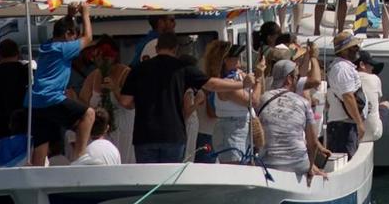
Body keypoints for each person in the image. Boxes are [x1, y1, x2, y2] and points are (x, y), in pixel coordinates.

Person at [120, 30, 251, 163]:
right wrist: (242, 84)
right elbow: (211, 84)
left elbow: (125, 101)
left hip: (144, 135)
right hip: (173, 134)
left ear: (156, 48)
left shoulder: (138, 69)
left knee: (148, 180)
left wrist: (142, 103)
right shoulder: (182, 68)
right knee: (171, 181)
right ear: (176, 49)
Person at [28, 3, 96, 166]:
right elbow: (88, 38)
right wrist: (86, 14)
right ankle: (80, 158)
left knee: (42, 144)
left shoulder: (47, 46)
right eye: (74, 36)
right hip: (51, 97)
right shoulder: (63, 48)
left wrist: (70, 16)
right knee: (89, 114)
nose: (74, 40)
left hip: (35, 100)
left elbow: (65, 31)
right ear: (67, 34)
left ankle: (36, 175)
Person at [255, 56, 325, 180]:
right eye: (297, 77)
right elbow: (312, 142)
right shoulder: (303, 103)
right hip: (297, 164)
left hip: (267, 163)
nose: (298, 80)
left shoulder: (262, 99)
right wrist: (310, 168)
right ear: (289, 79)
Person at [200, 39, 255, 162]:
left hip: (234, 127)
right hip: (232, 130)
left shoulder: (229, 80)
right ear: (225, 60)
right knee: (236, 170)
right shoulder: (228, 84)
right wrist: (259, 79)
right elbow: (254, 101)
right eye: (236, 58)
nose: (239, 63)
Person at [322, 33, 368, 160]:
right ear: (344, 50)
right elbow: (348, 97)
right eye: (354, 47)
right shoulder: (342, 68)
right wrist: (360, 123)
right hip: (343, 127)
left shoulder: (341, 67)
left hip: (344, 124)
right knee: (345, 160)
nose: (358, 49)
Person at [356, 58, 387, 142]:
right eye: (371, 66)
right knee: (386, 103)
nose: (372, 69)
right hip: (373, 133)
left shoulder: (345, 78)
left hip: (351, 132)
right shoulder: (375, 78)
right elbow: (378, 101)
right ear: (362, 65)